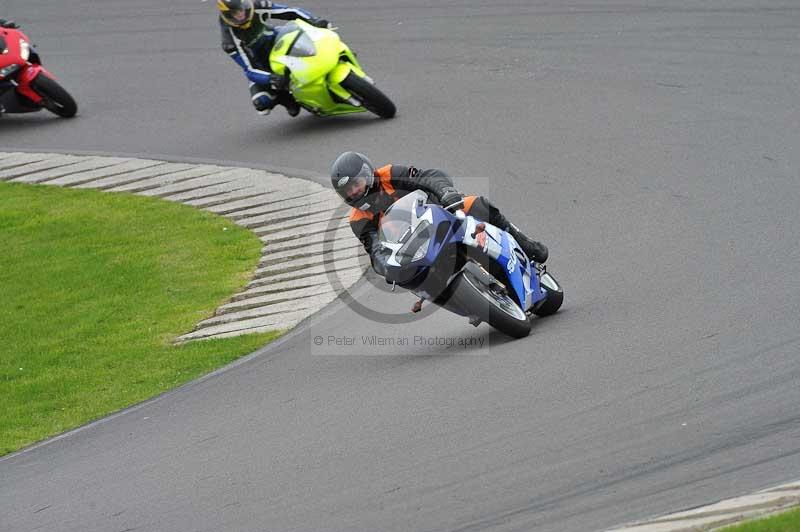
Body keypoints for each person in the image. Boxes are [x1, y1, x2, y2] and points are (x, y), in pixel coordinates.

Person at [330, 151, 549, 277]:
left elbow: (428, 177)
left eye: (356, 184)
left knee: (478, 204)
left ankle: (525, 245)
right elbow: (375, 248)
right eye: (348, 191)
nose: (355, 192)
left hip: (441, 215)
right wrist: (386, 267)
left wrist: (446, 192)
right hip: (414, 249)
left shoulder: (388, 175)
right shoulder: (358, 219)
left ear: (368, 174)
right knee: (410, 279)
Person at [216, 0, 330, 116]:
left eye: (241, 9)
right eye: (235, 13)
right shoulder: (229, 42)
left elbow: (290, 11)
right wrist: (270, 78)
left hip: (276, 41)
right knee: (261, 104)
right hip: (261, 65)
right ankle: (286, 97)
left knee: (308, 39)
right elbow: (249, 70)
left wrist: (314, 20)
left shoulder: (257, 6)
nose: (241, 14)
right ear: (227, 15)